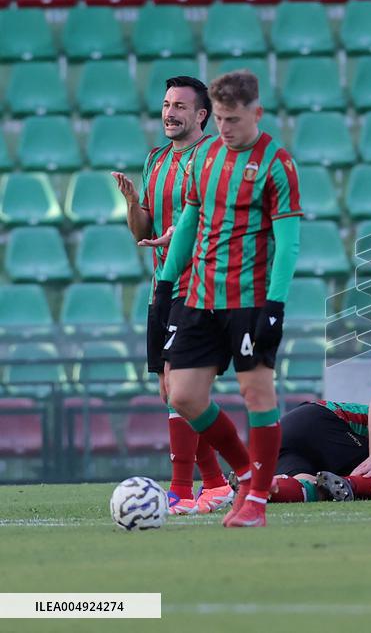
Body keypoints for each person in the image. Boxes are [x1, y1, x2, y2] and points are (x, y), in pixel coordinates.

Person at [151, 70, 302, 528]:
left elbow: (288, 242)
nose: (224, 128)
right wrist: (166, 282)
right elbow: (189, 222)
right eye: (218, 118)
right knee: (183, 395)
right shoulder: (207, 158)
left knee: (256, 393)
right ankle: (245, 473)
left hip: (249, 300)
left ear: (256, 113)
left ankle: (256, 501)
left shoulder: (277, 164)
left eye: (233, 119)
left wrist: (275, 305)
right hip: (199, 296)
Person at [111, 76, 232, 516]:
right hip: (162, 286)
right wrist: (132, 203)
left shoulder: (214, 157)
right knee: (172, 392)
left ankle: (181, 489)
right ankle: (216, 483)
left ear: (201, 115)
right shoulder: (156, 160)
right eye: (166, 105)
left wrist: (178, 238)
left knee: (181, 386)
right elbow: (142, 231)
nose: (169, 113)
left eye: (180, 106)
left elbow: (220, 219)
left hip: (200, 285)